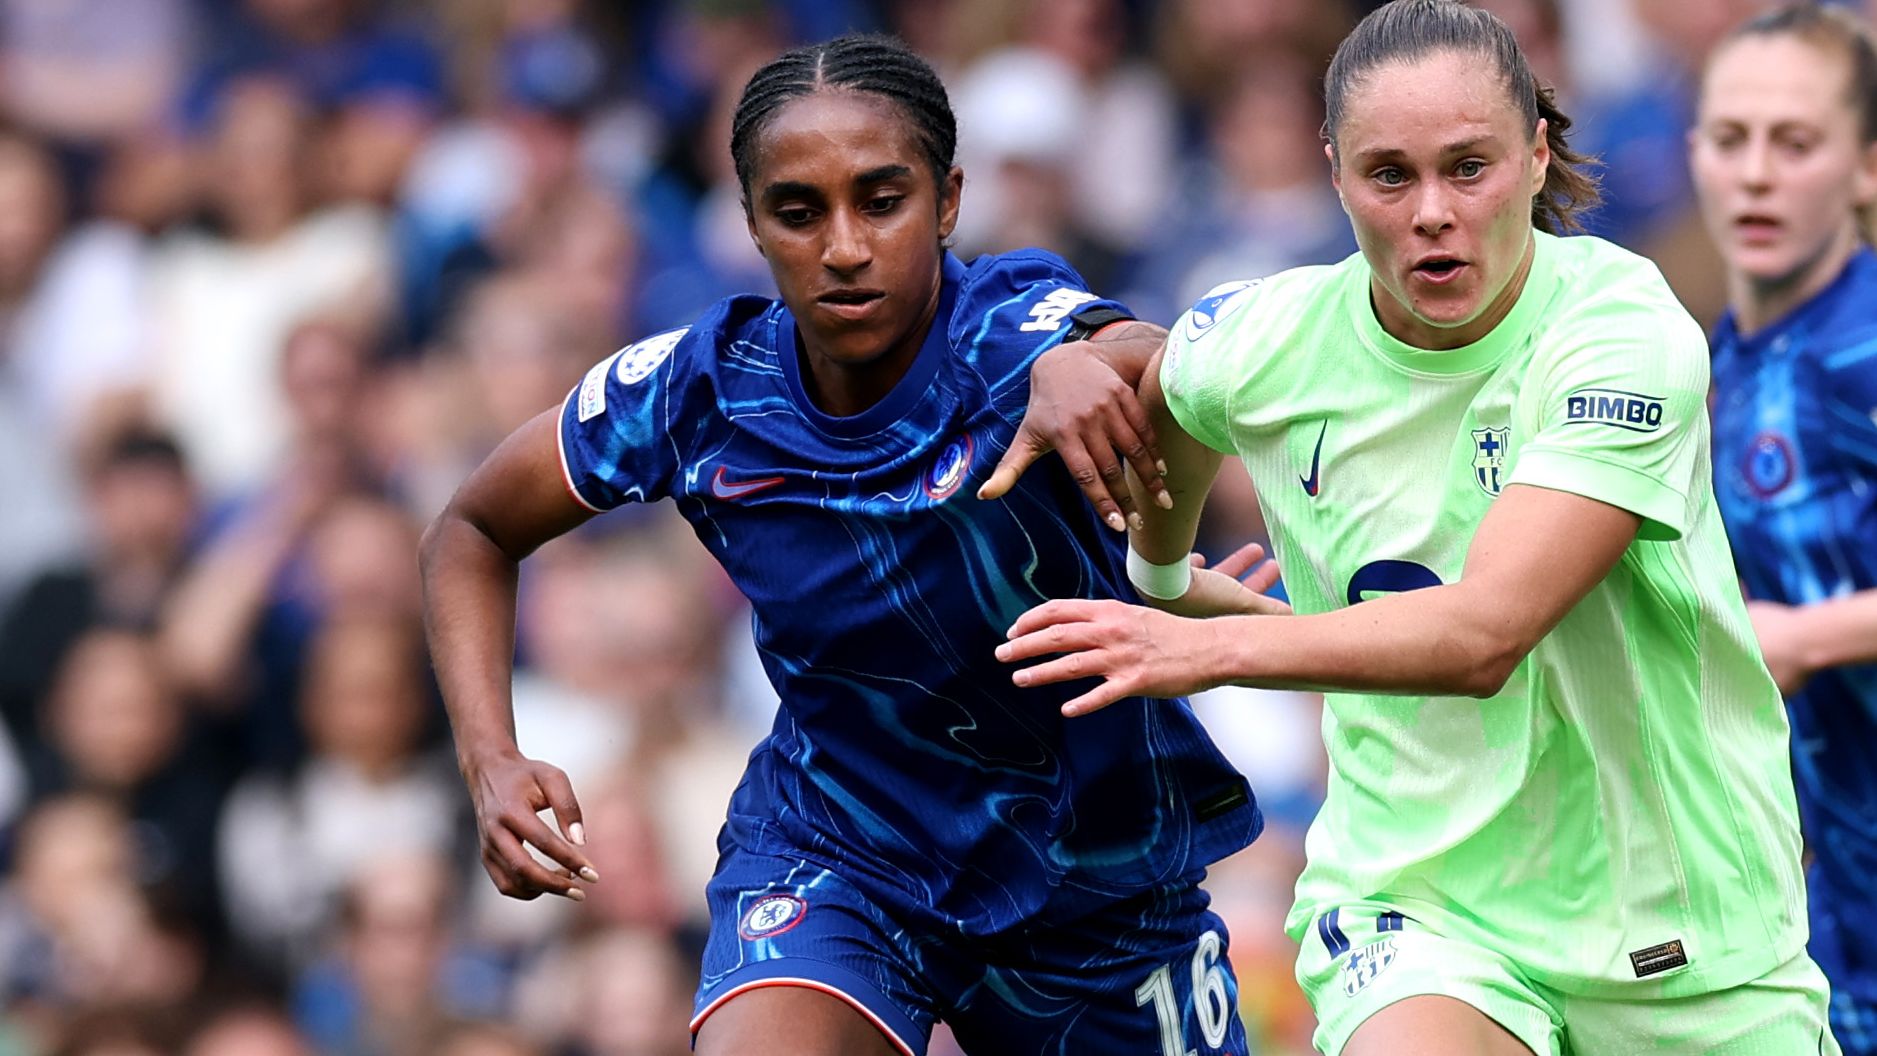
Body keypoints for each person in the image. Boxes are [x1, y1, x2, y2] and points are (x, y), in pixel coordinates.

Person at [998, 1, 1831, 1054]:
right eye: (1388, 175)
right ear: (1334, 172)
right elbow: (1174, 386)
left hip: (1678, 925)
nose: (1430, 210)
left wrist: (1202, 642)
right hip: (1421, 910)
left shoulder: (1620, 333)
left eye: (1467, 167)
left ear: (1534, 155)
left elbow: (1486, 634)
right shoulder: (1266, 331)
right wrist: (1158, 570)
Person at [420, 34, 1265, 1056]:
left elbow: (1136, 353)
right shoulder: (698, 391)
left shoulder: (1011, 329)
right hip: (841, 857)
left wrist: (1095, 360)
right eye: (797, 211)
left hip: (1097, 881)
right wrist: (490, 760)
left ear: (947, 201)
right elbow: (472, 527)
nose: (844, 246)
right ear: (749, 225)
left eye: (880, 198)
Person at [1690, 6, 1877, 1054]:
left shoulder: (1861, 349)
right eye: (1729, 139)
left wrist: (1803, 639)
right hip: (1832, 905)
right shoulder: (1726, 358)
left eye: (1793, 143)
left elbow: (1785, 634)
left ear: (1863, 167)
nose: (1754, 173)